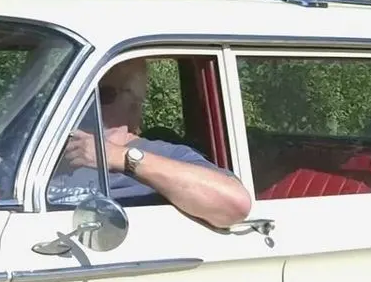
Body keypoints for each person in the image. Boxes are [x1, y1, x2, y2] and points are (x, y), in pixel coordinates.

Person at [49, 57, 253, 228]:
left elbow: (235, 204)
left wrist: (117, 157)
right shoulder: (49, 153)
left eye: (101, 94)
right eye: (78, 95)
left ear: (134, 103)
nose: (86, 105)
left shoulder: (165, 155)